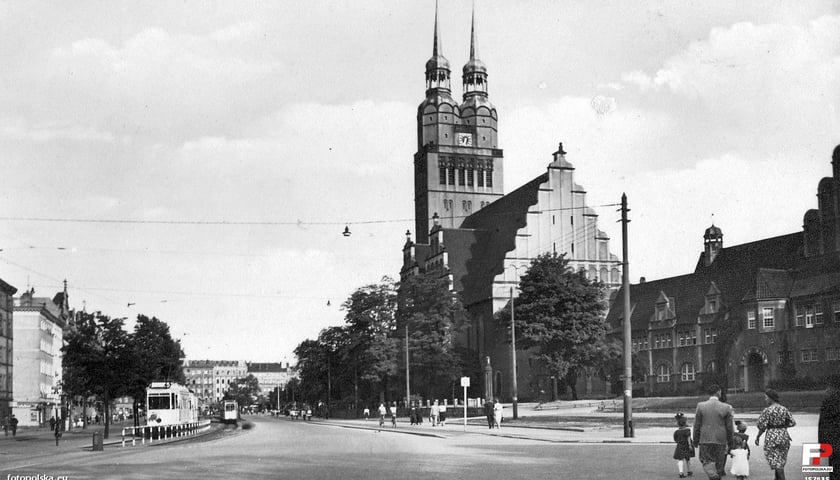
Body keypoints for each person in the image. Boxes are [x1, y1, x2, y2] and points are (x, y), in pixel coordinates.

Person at [692, 383, 734, 480]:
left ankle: (712, 475)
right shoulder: (726, 407)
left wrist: (695, 440)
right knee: (719, 465)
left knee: (706, 461)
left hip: (705, 439)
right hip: (721, 440)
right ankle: (715, 476)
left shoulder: (700, 406)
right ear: (718, 392)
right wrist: (731, 441)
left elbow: (696, 425)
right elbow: (729, 427)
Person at [755, 388, 796, 480]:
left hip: (772, 437)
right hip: (784, 436)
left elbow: (761, 426)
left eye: (766, 398)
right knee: (780, 460)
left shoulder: (767, 410)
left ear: (770, 398)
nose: (765, 400)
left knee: (775, 461)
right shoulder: (784, 409)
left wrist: (758, 436)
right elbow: (792, 422)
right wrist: (782, 426)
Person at [819, 375, 840, 480]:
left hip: (833, 441)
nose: (826, 390)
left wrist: (822, 445)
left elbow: (823, 424)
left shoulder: (829, 400)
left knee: (835, 470)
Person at [673, 412, 695, 478]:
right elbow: (688, 438)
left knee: (680, 459)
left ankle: (681, 472)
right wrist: (690, 445)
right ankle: (689, 471)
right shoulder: (687, 430)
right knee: (688, 459)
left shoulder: (676, 432)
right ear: (685, 423)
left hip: (680, 446)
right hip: (687, 446)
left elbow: (675, 439)